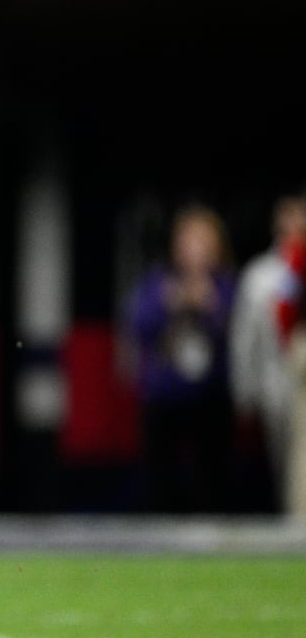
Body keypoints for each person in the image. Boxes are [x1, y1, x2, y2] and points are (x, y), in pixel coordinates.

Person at [127, 203, 237, 513]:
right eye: (188, 242)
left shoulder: (227, 285)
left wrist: (212, 307)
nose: (195, 250)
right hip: (165, 397)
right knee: (160, 480)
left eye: (203, 242)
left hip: (211, 396)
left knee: (212, 480)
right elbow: (139, 325)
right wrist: (170, 303)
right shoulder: (158, 283)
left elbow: (241, 336)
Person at [229, 194, 306, 509]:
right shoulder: (260, 274)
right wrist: (245, 392)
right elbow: (245, 338)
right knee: (284, 466)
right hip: (276, 384)